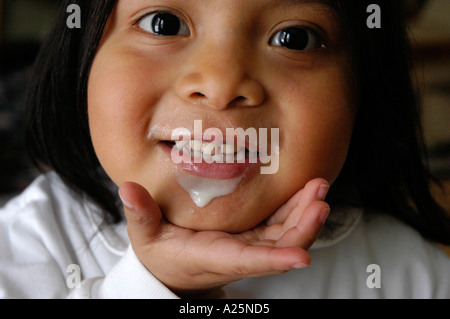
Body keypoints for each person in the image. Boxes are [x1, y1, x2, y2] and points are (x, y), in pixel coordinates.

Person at [0, 0, 449, 299]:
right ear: (80, 59)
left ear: (363, 92)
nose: (219, 84)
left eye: (294, 38)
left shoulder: (407, 272)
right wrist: (163, 286)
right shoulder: (22, 248)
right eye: (165, 24)